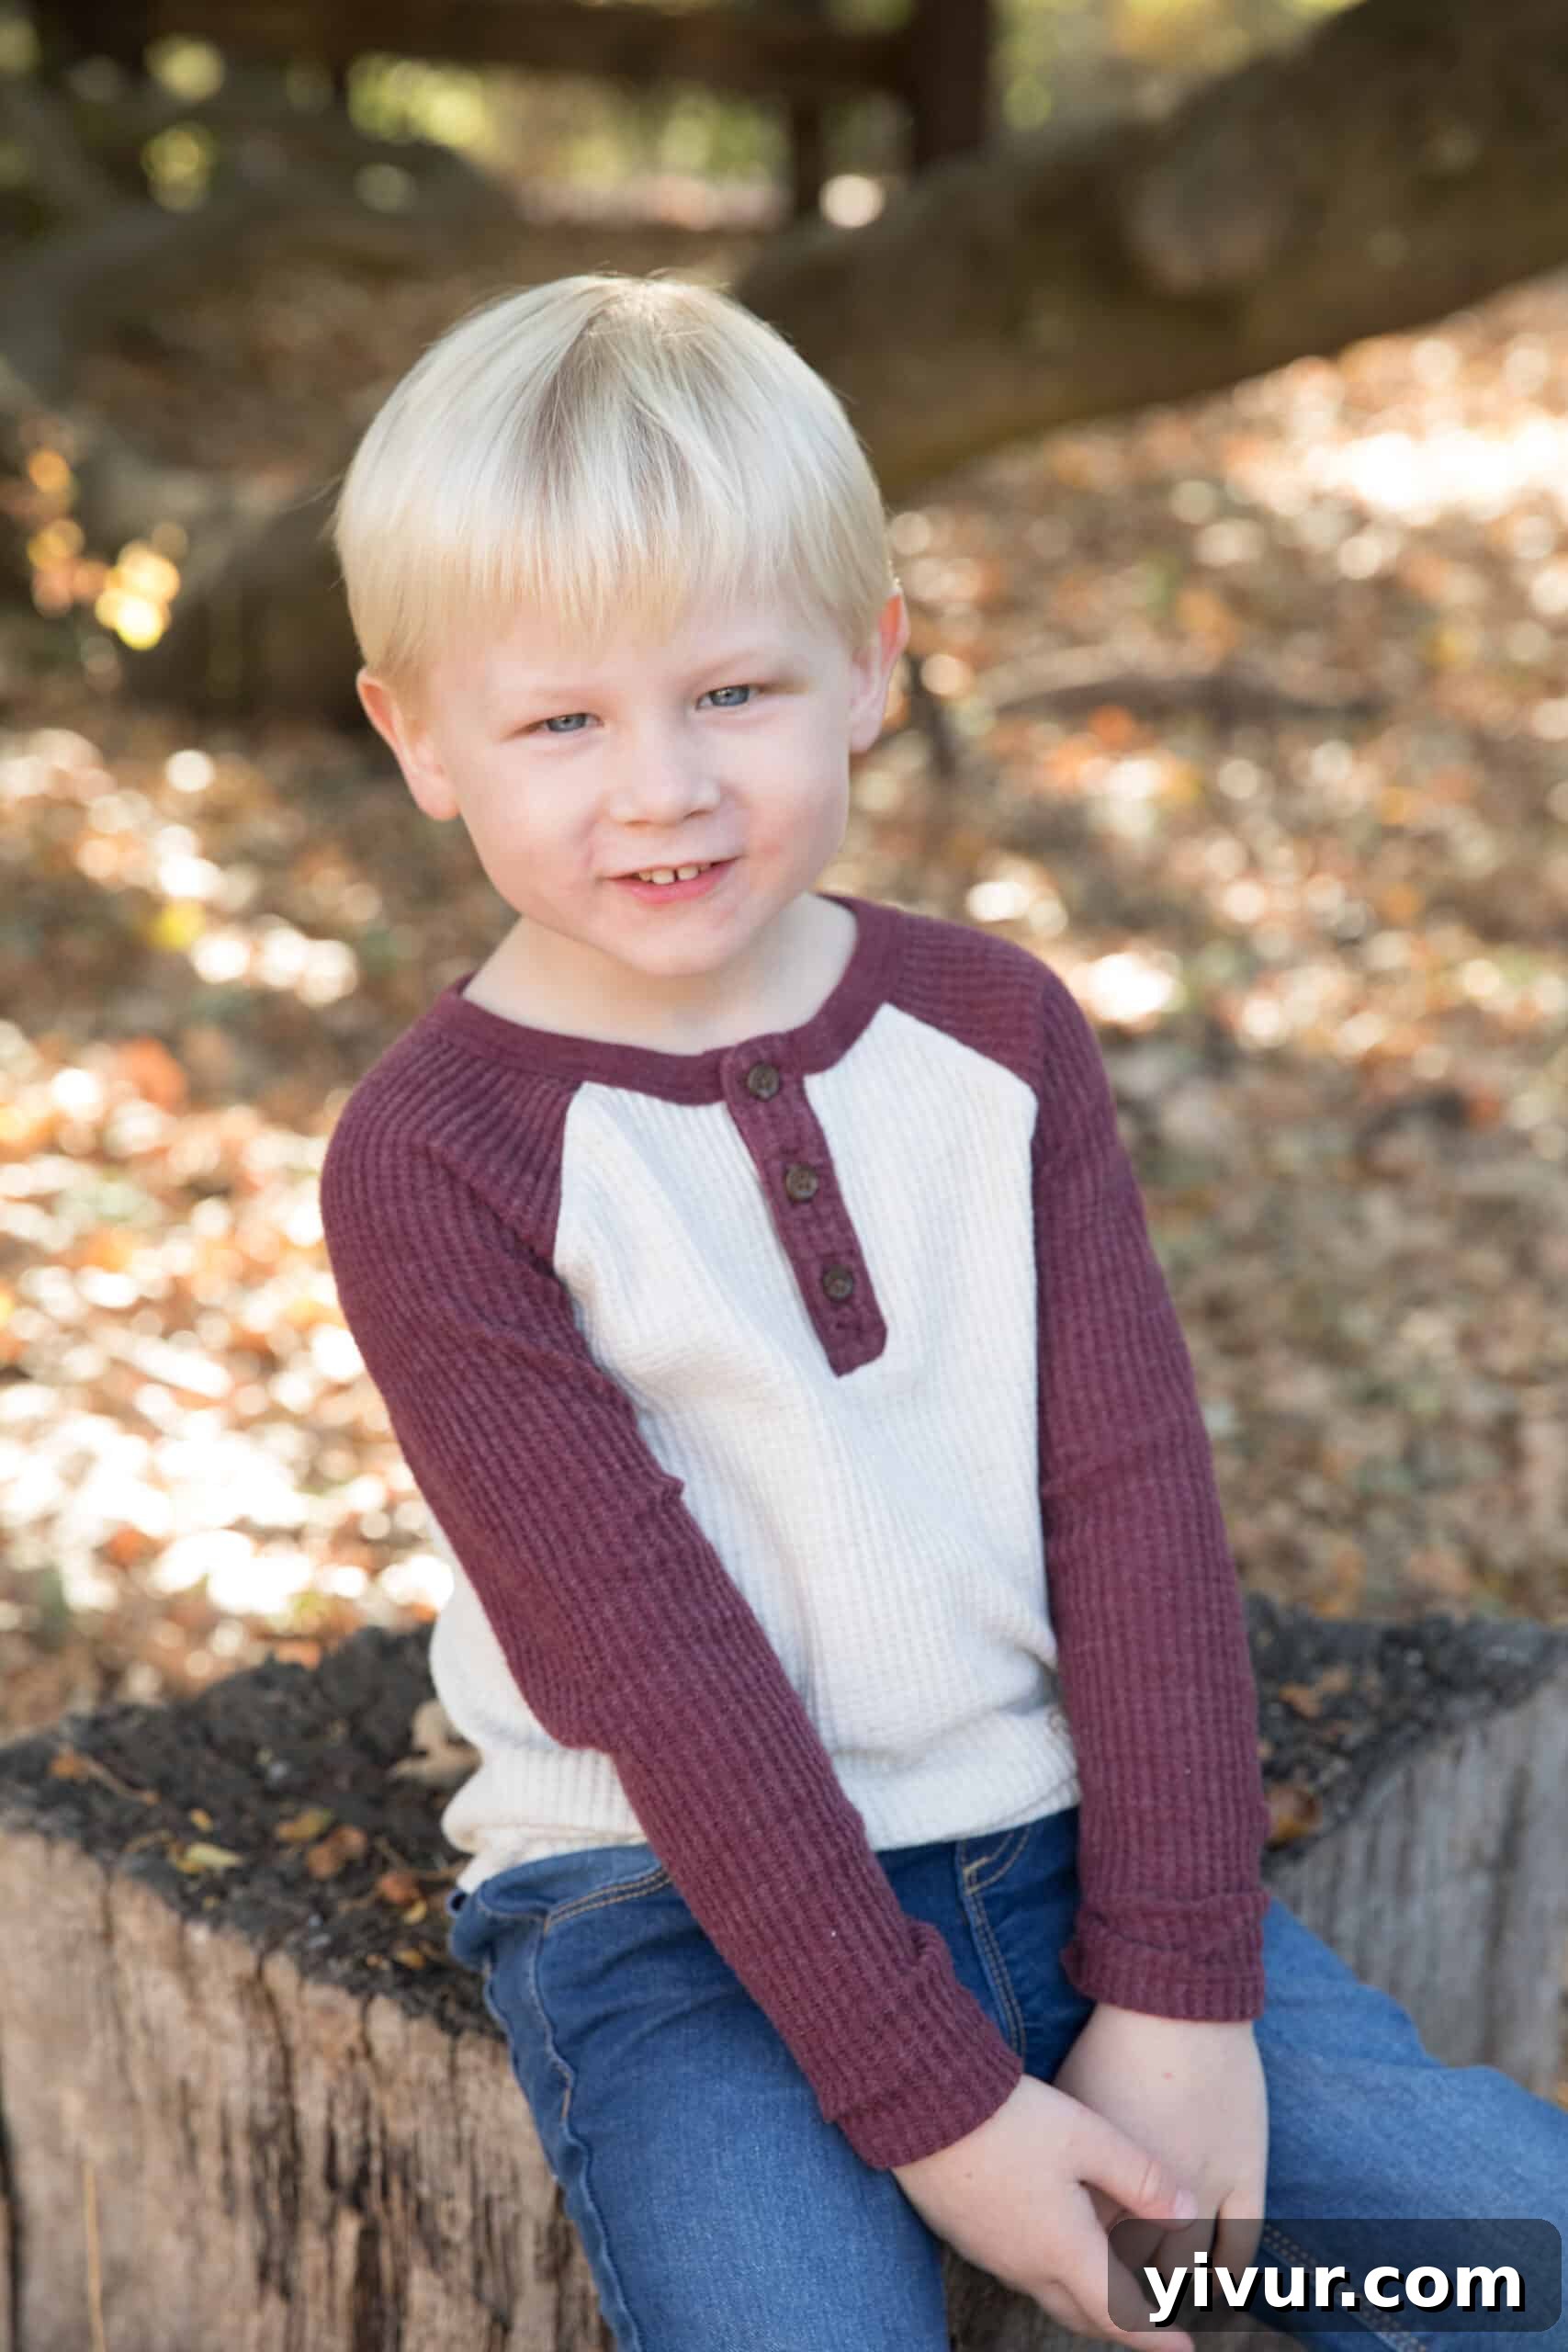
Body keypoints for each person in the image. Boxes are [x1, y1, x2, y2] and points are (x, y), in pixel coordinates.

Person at [319, 271, 1567, 2352]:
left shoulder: (992, 1038)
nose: (660, 790)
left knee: (1491, 2248)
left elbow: (1135, 1509)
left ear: (870, 665)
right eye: (560, 718)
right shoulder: (439, 1156)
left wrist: (1173, 1993)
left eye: (731, 692)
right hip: (673, 1915)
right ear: (417, 737)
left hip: (1064, 1861)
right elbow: (658, 1662)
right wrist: (944, 2119)